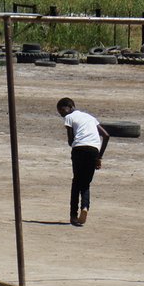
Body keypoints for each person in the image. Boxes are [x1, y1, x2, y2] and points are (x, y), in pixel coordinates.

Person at [56, 97, 110, 226]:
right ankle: (85, 207)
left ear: (68, 107)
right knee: (85, 183)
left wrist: (74, 143)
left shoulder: (69, 117)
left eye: (61, 111)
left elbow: (70, 141)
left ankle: (73, 216)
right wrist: (99, 158)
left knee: (76, 182)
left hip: (79, 149)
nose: (62, 115)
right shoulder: (90, 118)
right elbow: (106, 136)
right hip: (94, 150)